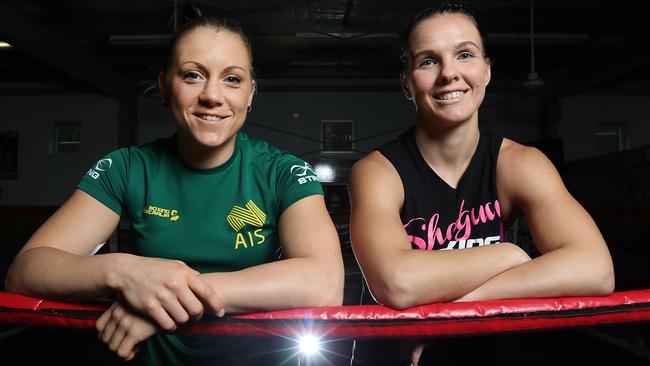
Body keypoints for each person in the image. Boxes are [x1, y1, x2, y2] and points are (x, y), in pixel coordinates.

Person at [5, 11, 344, 366]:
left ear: (250, 94)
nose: (212, 95)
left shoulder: (283, 171)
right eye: (193, 75)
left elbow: (324, 282)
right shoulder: (128, 168)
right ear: (164, 86)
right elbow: (26, 271)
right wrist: (127, 274)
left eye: (232, 79)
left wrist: (163, 298)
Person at [348, 3, 614, 365]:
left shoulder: (520, 164)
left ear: (486, 71)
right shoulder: (378, 171)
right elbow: (398, 283)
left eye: (464, 55)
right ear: (406, 84)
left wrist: (446, 315)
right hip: (397, 357)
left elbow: (595, 269)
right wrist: (510, 257)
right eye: (428, 61)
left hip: (478, 350)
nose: (449, 74)